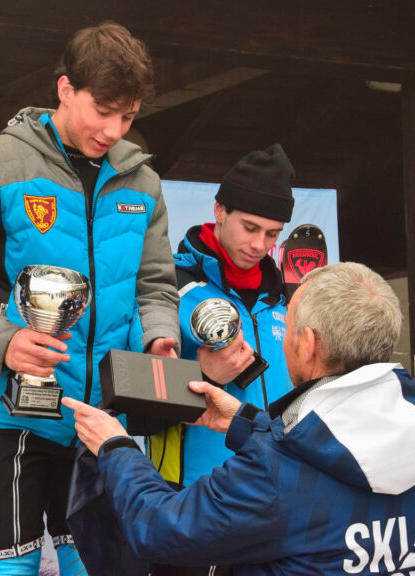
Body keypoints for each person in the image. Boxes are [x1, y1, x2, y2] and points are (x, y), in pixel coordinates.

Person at [0, 21, 180, 576]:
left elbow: (154, 285)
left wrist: (159, 333)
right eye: (102, 109)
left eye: (126, 116)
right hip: (7, 415)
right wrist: (5, 342)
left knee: (100, 566)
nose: (113, 129)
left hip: (101, 415)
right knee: (9, 569)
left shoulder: (142, 182)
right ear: (65, 89)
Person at [64, 262, 415, 576]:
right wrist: (246, 422)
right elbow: (329, 471)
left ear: (308, 344)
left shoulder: (275, 471)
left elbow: (162, 529)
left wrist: (116, 448)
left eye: (288, 326)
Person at [145, 144, 295, 576]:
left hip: (275, 500)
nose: (259, 244)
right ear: (219, 210)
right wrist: (201, 373)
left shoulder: (285, 302)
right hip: (191, 500)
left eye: (272, 234)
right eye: (250, 227)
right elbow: (132, 406)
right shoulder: (167, 286)